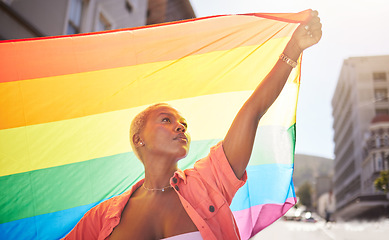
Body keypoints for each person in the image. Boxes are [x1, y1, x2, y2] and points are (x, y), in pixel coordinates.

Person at [63, 10, 322, 240]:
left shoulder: (207, 184)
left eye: (183, 123)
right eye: (167, 119)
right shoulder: (102, 217)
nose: (181, 127)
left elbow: (252, 112)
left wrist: (293, 50)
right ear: (138, 139)